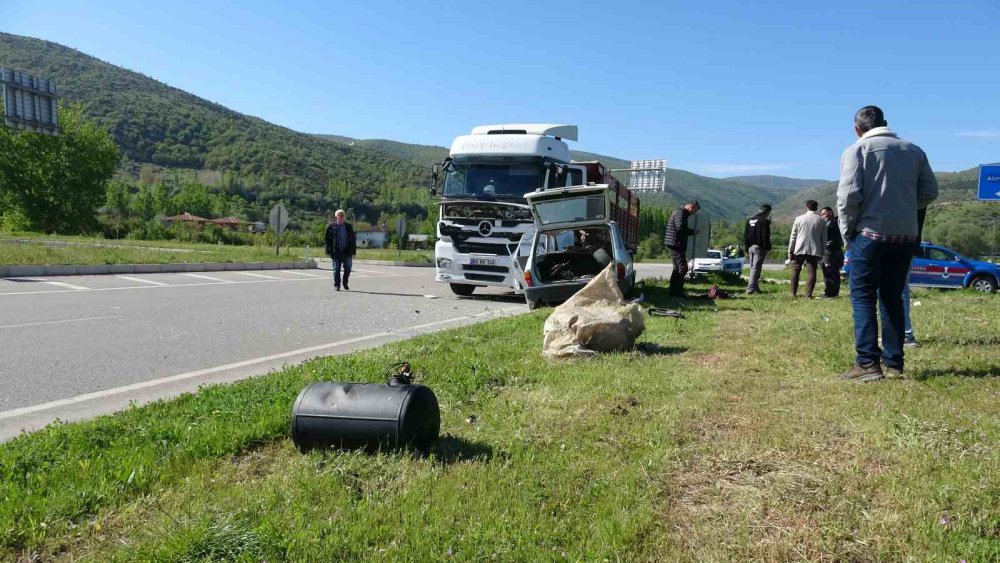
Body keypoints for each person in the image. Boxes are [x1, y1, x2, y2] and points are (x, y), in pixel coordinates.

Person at [837, 106, 938, 382]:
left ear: (857, 128)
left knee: (863, 296)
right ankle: (894, 363)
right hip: (905, 235)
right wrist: (903, 206)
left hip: (869, 234)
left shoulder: (856, 151)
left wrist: (848, 234)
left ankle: (868, 363)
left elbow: (848, 198)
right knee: (892, 297)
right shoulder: (914, 151)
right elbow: (930, 192)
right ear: (886, 123)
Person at [787, 200, 827, 298]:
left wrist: (790, 251)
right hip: (815, 249)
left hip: (799, 248)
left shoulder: (799, 219)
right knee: (812, 271)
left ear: (806, 207)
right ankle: (808, 295)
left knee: (796, 270)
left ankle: (793, 293)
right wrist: (822, 251)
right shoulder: (821, 221)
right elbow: (824, 238)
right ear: (816, 208)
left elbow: (793, 236)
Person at [663, 200, 700, 297]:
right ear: (691, 207)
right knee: (683, 268)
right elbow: (680, 228)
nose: (694, 213)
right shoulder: (681, 213)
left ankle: (673, 291)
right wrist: (693, 232)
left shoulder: (681, 213)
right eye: (695, 210)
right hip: (676, 244)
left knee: (677, 268)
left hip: (674, 243)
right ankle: (678, 292)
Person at [743, 203, 773, 294]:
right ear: (767, 211)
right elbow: (765, 235)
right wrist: (767, 247)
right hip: (759, 247)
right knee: (756, 268)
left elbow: (745, 235)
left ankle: (755, 287)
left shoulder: (750, 220)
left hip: (750, 247)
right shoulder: (764, 221)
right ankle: (750, 288)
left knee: (753, 267)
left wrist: (746, 247)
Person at [324, 209, 357, 291]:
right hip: (336, 251)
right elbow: (327, 241)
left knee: (348, 268)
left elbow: (352, 239)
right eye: (340, 215)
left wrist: (354, 251)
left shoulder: (349, 227)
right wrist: (327, 251)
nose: (341, 217)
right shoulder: (331, 227)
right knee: (336, 269)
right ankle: (337, 285)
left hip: (347, 251)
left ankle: (345, 282)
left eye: (343, 215)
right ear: (336, 217)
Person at [819, 206, 845, 297]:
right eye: (821, 214)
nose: (822, 216)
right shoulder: (839, 222)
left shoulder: (830, 223)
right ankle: (834, 292)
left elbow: (824, 235)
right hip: (838, 249)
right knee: (835, 272)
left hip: (829, 250)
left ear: (830, 213)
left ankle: (829, 293)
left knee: (828, 271)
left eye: (824, 214)